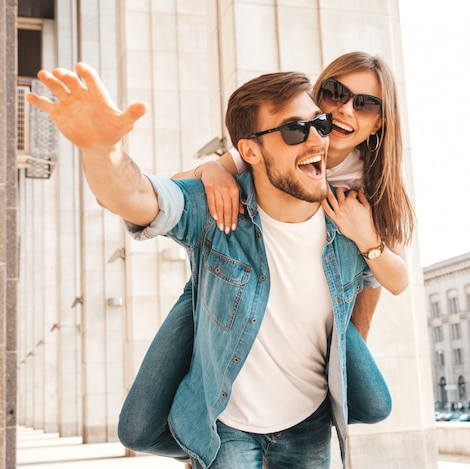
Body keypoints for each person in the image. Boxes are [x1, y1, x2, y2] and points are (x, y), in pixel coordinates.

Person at [27, 63, 378, 468]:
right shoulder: (217, 209)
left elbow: (378, 283)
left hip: (309, 426)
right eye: (294, 130)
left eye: (319, 123)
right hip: (227, 429)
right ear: (249, 151)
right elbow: (140, 197)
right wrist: (102, 150)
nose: (317, 137)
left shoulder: (350, 220)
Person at [116, 51, 412, 465]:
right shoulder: (289, 140)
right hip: (232, 281)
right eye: (336, 93)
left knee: (375, 401)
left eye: (365, 103)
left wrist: (366, 241)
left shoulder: (376, 188)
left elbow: (387, 283)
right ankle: (201, 434)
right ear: (318, 94)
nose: (345, 109)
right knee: (139, 423)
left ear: (380, 121)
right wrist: (211, 169)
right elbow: (175, 193)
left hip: (336, 304)